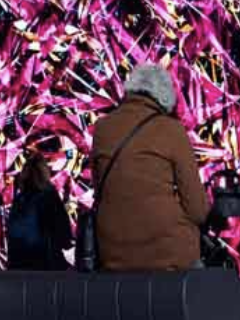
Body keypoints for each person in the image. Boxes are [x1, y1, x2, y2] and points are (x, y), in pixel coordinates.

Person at [90, 63, 209, 272]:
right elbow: (197, 209)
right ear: (166, 96)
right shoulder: (171, 129)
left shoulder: (102, 128)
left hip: (113, 250)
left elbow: (100, 189)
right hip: (166, 252)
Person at [7, 152, 73, 270]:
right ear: (45, 172)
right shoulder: (49, 197)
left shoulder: (19, 199)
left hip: (19, 265)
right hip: (44, 264)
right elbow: (64, 233)